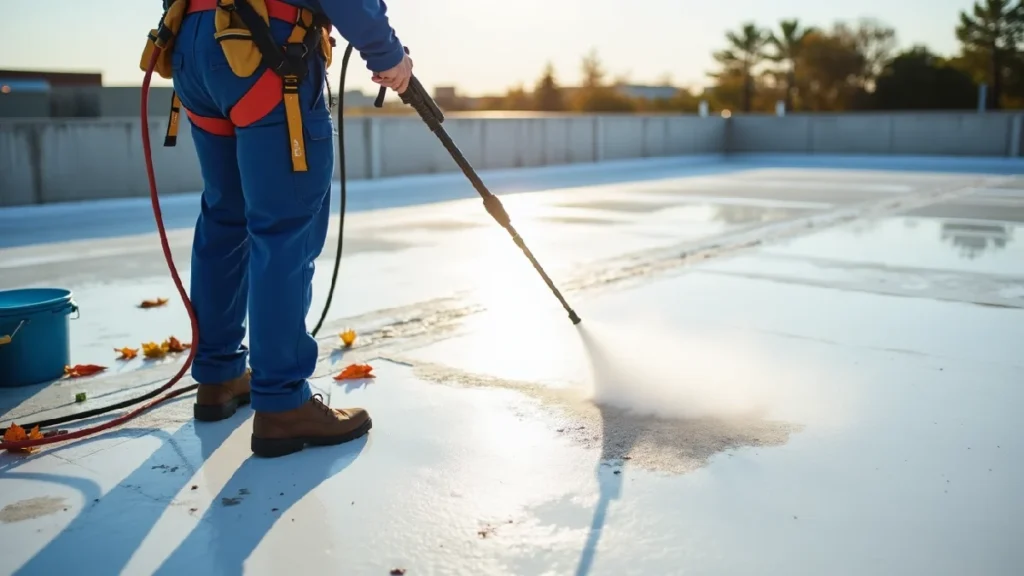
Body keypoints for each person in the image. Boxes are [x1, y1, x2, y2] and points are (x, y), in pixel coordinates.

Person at [171, 0, 412, 457]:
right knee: (282, 228)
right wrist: (387, 55)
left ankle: (219, 377)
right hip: (265, 51)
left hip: (195, 48)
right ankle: (282, 404)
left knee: (225, 216)